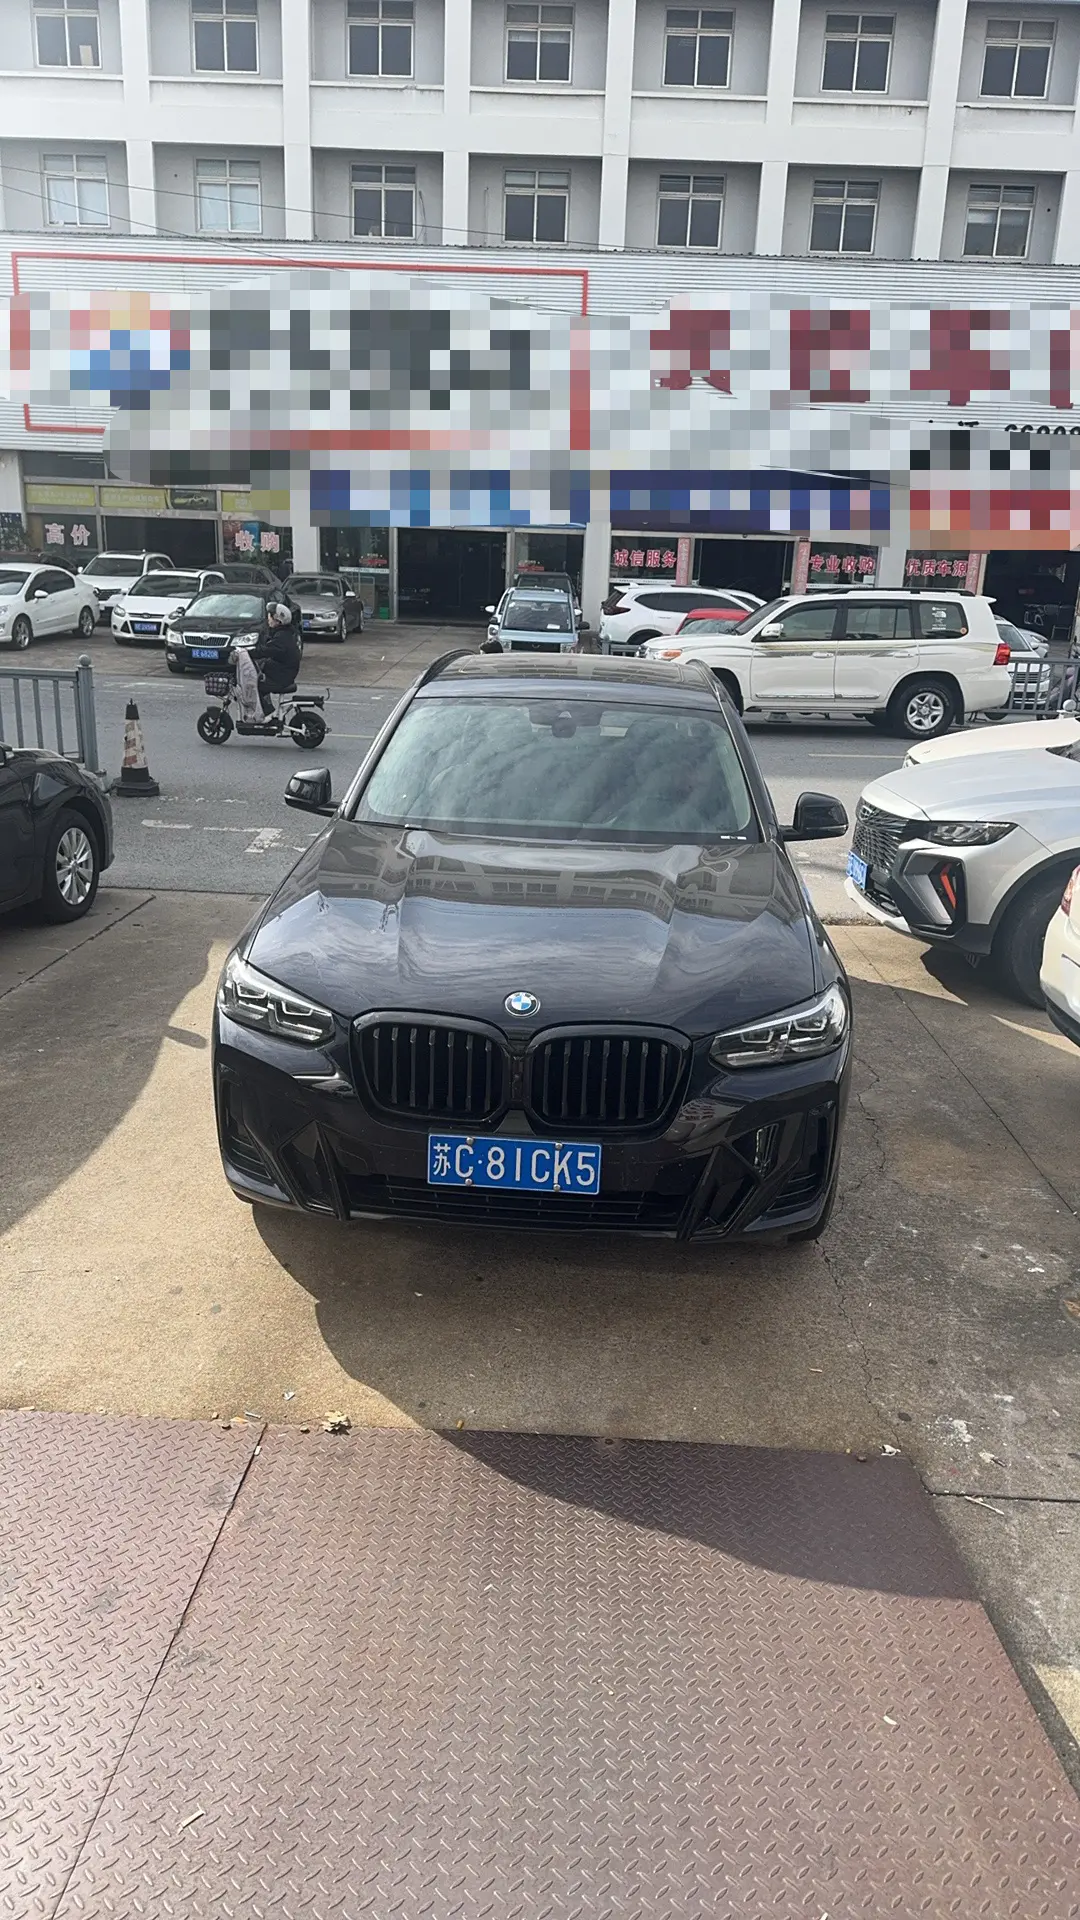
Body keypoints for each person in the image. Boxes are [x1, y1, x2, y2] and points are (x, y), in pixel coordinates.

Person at [251, 601, 302, 715]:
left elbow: (266, 651)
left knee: (254, 686)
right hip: (282, 673)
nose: (268, 619)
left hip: (282, 677)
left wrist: (248, 653)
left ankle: (268, 714)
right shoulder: (284, 634)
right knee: (260, 681)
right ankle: (268, 711)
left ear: (277, 620)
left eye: (270, 616)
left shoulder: (281, 637)